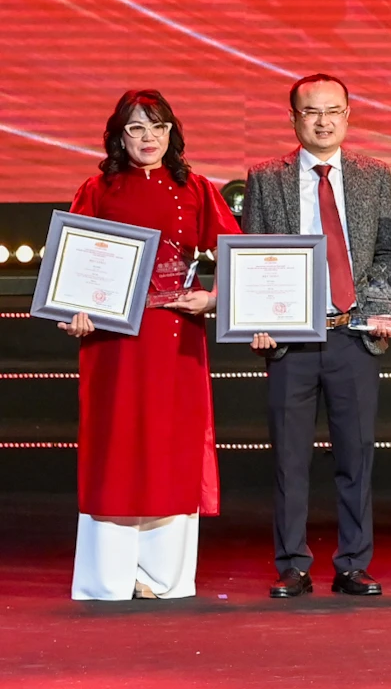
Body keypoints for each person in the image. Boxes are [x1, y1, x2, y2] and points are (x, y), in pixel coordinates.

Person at [61, 90, 237, 600]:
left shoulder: (196, 187)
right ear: (120, 135)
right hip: (114, 341)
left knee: (171, 445)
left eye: (157, 128)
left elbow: (234, 250)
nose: (147, 139)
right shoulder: (98, 188)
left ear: (171, 133)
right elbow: (75, 263)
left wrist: (213, 298)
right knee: (115, 447)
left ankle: (165, 577)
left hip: (176, 338)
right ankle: (110, 579)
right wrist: (73, 311)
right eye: (136, 128)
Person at [243, 73, 391, 599]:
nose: (323, 121)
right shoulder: (266, 178)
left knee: (356, 456)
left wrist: (377, 309)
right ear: (294, 118)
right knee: (290, 459)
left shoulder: (374, 175)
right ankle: (292, 563)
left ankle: (353, 563)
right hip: (291, 340)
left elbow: (388, 254)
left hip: (352, 337)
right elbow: (255, 255)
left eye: (333, 110)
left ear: (349, 115)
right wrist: (258, 319)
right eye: (311, 112)